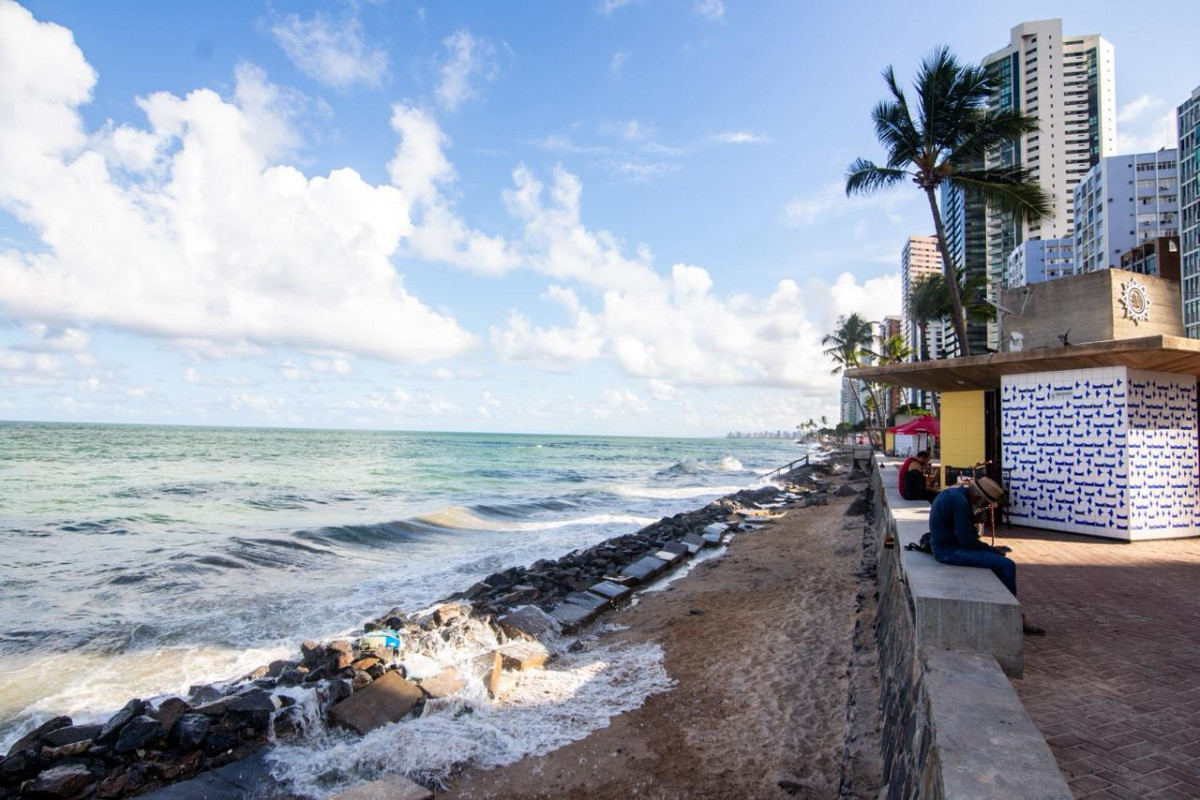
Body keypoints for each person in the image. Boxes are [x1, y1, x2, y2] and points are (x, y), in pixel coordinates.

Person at [928, 476, 1044, 636]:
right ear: (977, 497)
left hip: (944, 545)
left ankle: (1008, 609)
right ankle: (1014, 616)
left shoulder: (953, 494)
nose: (983, 508)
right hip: (948, 551)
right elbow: (966, 540)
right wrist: (990, 550)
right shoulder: (960, 503)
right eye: (984, 504)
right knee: (1006, 565)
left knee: (999, 562)